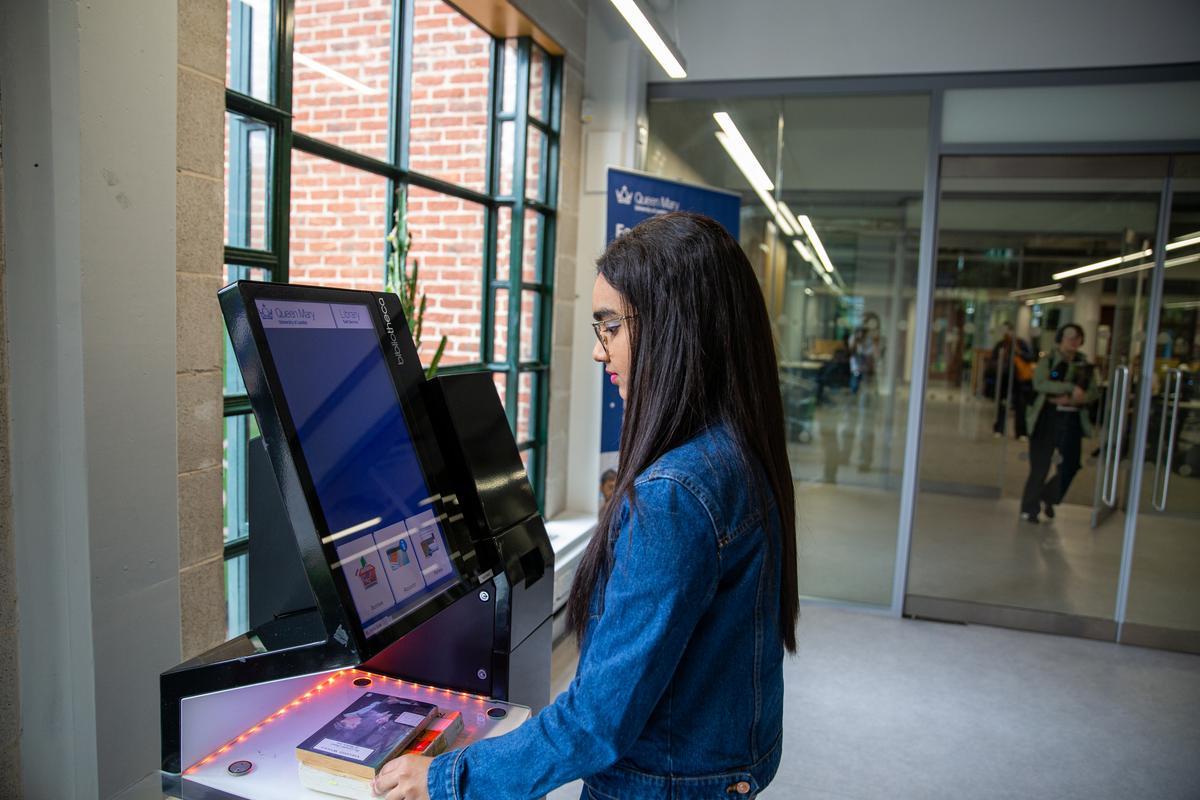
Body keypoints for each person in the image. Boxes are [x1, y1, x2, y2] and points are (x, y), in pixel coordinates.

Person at [374, 212, 799, 799]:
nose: (601, 354)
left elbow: (598, 722)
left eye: (610, 326)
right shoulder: (736, 449)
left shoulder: (674, 494)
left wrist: (447, 777)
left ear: (674, 328)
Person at [1019, 323, 1100, 523]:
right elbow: (1040, 383)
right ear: (1061, 339)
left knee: (1070, 465)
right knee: (1040, 465)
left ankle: (1048, 495)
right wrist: (1069, 388)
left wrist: (1074, 399)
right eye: (1069, 337)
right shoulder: (1049, 361)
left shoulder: (1085, 365)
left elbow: (1093, 392)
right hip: (1047, 417)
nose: (1073, 341)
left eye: (1077, 338)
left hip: (1072, 419)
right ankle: (1030, 507)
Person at [991, 323, 1034, 440]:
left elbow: (1030, 357)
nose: (1007, 333)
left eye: (1009, 330)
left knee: (1021, 407)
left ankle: (1021, 432)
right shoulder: (1001, 345)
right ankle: (999, 429)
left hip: (1020, 381)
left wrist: (1018, 352)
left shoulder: (1021, 343)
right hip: (1004, 380)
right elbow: (993, 361)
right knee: (1003, 405)